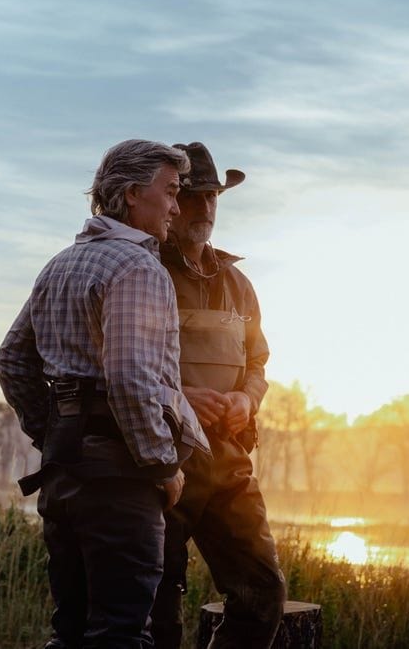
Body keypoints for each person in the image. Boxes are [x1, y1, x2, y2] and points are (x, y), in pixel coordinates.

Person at [0, 139, 209, 649]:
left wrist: (57, 433)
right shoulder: (138, 268)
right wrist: (161, 464)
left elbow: (12, 361)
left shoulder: (61, 264)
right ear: (133, 194)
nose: (176, 207)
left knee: (70, 632)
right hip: (120, 480)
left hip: (64, 474)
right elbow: (130, 377)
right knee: (120, 634)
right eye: (170, 192)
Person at [151, 142, 286, 649]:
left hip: (229, 460)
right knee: (157, 607)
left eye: (212, 197)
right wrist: (181, 397)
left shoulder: (238, 283)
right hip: (163, 460)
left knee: (262, 595)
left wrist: (247, 401)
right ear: (170, 201)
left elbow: (258, 362)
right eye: (191, 196)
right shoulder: (144, 272)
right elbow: (119, 363)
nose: (204, 207)